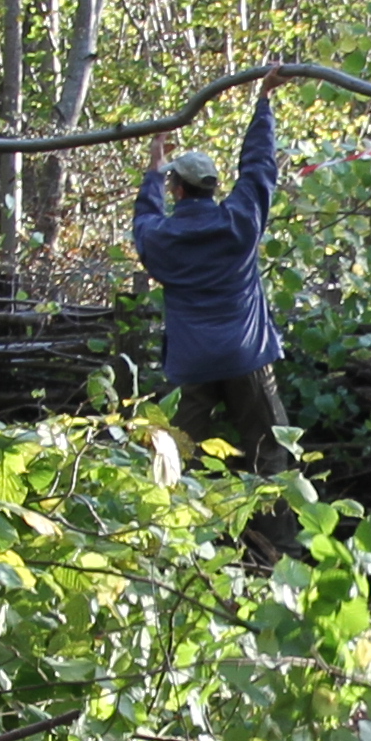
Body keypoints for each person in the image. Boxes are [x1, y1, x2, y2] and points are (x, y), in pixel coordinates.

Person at [133, 77, 289, 472]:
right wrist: (263, 102)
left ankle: (174, 528)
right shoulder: (241, 222)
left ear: (178, 190)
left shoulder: (161, 239)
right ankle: (281, 533)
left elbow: (143, 218)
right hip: (247, 354)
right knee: (270, 454)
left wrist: (154, 164)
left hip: (192, 364)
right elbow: (259, 167)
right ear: (214, 187)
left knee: (175, 461)